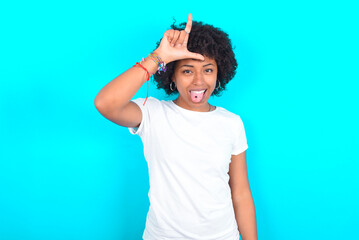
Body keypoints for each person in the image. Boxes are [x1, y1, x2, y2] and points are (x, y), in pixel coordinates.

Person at [94, 13, 257, 240]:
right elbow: (105, 104)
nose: (199, 80)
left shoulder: (232, 123)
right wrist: (159, 57)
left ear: (220, 73)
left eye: (208, 70)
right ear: (172, 75)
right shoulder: (153, 114)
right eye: (187, 70)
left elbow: (240, 193)